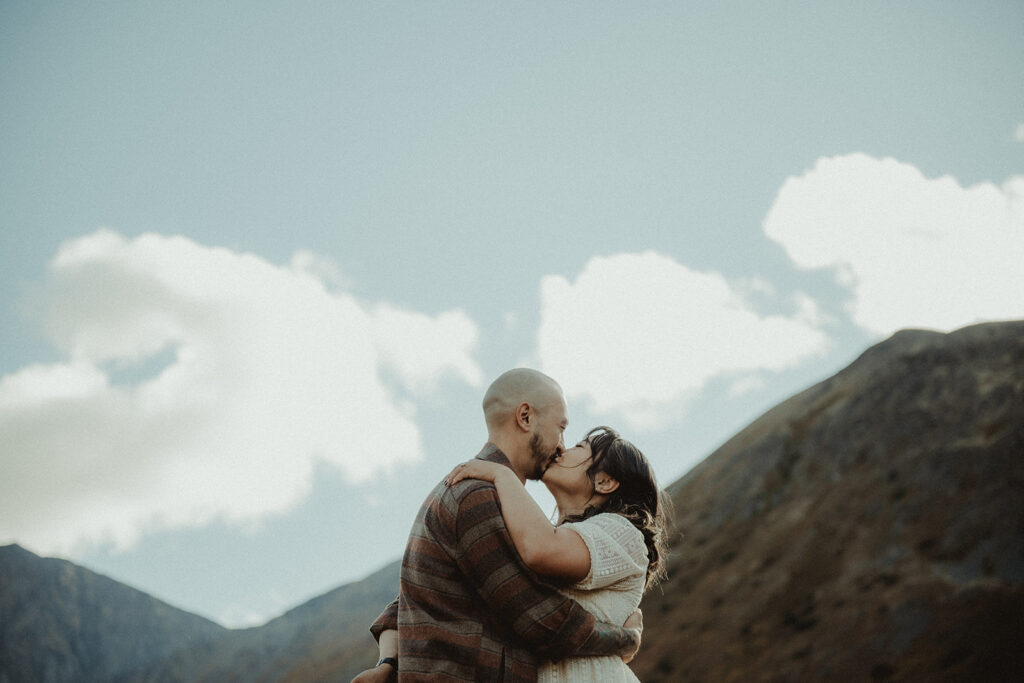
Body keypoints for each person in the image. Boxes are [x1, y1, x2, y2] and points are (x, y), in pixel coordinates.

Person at [352, 369, 643, 683]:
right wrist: (626, 638)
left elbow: (407, 601)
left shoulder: (490, 499)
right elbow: (541, 620)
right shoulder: (478, 496)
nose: (561, 445)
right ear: (525, 417)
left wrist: (388, 663)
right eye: (560, 428)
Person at [443, 425, 667, 682]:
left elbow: (542, 550)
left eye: (579, 448)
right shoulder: (545, 534)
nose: (561, 449)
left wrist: (502, 476)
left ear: (605, 482)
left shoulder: (623, 534)